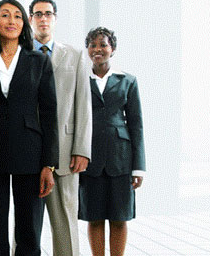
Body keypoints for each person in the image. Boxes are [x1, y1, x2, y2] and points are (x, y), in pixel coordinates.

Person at [0, 0, 58, 256]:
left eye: (18, 16)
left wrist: (49, 164)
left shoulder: (38, 61)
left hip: (30, 153)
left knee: (30, 230)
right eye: (5, 15)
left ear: (25, 23)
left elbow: (49, 113)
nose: (12, 21)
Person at [28, 0, 93, 256]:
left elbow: (83, 104)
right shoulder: (20, 54)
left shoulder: (75, 55)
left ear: (55, 19)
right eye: (38, 14)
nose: (43, 18)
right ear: (31, 19)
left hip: (66, 153)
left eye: (48, 14)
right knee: (26, 225)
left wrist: (82, 149)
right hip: (29, 150)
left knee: (66, 222)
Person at [79, 27, 145, 256]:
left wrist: (139, 167)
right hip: (89, 157)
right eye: (93, 45)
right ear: (87, 50)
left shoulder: (128, 80)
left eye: (103, 45)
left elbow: (136, 125)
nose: (98, 50)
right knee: (94, 216)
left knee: (119, 217)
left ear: (112, 49)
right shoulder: (80, 80)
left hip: (121, 160)